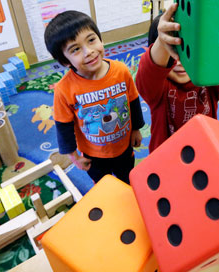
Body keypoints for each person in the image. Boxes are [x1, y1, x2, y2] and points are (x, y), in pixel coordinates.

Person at [44, 11, 144, 184]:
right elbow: (63, 127)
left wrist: (136, 129)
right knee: (103, 186)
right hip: (94, 155)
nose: (88, 51)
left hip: (124, 146)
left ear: (100, 39)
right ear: (65, 61)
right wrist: (74, 157)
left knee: (128, 179)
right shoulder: (64, 89)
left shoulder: (121, 70)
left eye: (91, 40)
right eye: (75, 49)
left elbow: (133, 101)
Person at [135, 3, 219, 152]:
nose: (179, 62)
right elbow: (148, 73)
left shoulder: (207, 78)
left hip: (206, 150)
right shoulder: (158, 90)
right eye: (171, 55)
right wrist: (162, 41)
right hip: (167, 159)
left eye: (186, 52)